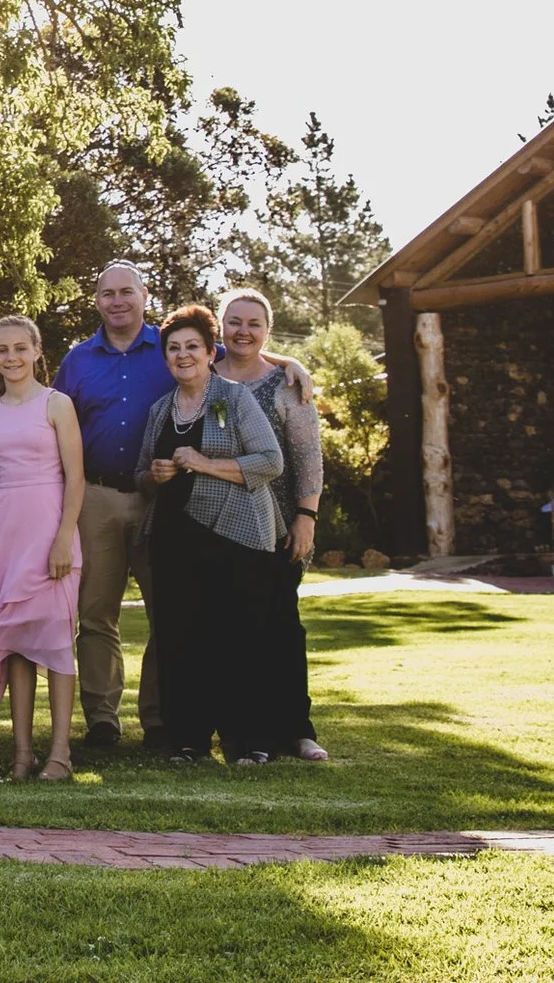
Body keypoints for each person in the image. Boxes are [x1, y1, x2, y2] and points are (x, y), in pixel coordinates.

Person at [137, 303, 286, 766]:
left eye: (192, 347)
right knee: (180, 638)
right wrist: (155, 475)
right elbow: (140, 474)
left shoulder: (233, 398)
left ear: (209, 352)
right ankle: (188, 741)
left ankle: (251, 741)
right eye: (173, 348)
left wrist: (206, 464)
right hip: (174, 538)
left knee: (241, 638)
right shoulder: (160, 409)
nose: (183, 355)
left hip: (236, 535)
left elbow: (271, 462)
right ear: (166, 357)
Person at [0, 315, 85, 782]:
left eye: (19, 348)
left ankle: (60, 754)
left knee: (56, 642)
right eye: (2, 350)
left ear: (36, 351)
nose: (11, 357)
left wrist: (64, 537)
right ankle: (22, 755)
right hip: (4, 533)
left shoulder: (57, 404)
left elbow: (76, 476)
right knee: (14, 646)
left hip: (50, 527)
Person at [51, 259, 172, 748]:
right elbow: (52, 424)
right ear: (97, 301)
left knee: (166, 610)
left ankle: (160, 718)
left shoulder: (171, 346)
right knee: (96, 613)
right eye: (107, 293)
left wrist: (287, 364)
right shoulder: (77, 361)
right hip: (96, 496)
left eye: (126, 292)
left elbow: (237, 357)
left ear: (144, 296)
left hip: (162, 500)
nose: (117, 301)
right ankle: (102, 718)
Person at [215, 289, 328, 761]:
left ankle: (297, 730)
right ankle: (245, 733)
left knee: (282, 629)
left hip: (278, 524)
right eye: (234, 321)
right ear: (220, 327)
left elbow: (307, 457)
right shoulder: (204, 375)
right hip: (217, 524)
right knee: (231, 633)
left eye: (254, 324)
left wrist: (306, 517)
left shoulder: (285, 385)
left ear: (268, 330)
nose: (243, 331)